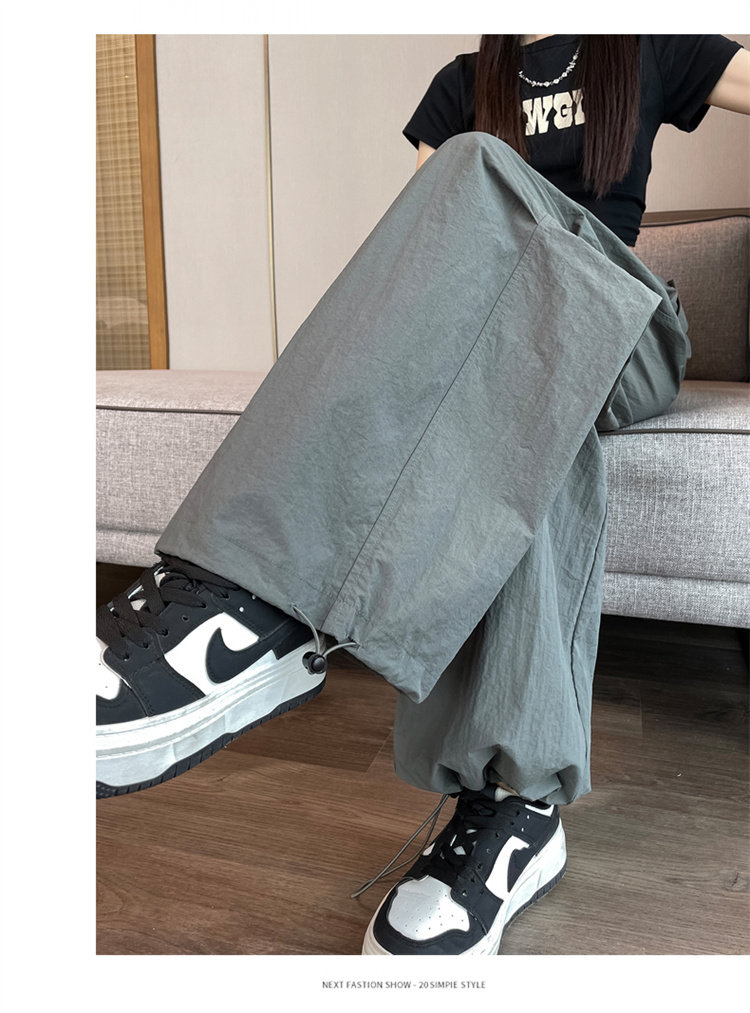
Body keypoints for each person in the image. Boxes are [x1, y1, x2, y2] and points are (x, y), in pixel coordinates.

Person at [96, 35, 750, 956]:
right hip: (534, 339)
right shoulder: (461, 82)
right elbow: (438, 251)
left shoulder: (646, 42)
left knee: (478, 170)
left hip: (627, 324)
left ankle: (256, 597)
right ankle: (516, 809)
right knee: (518, 389)